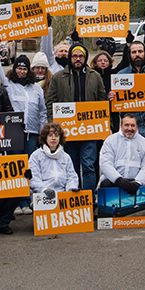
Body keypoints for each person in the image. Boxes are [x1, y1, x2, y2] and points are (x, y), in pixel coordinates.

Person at [46, 42, 107, 199]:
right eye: (75, 56)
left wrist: (105, 126)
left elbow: (102, 101)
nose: (78, 59)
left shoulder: (95, 76)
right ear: (70, 58)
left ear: (85, 57)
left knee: (88, 166)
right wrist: (54, 127)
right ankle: (75, 200)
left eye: (81, 56)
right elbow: (51, 103)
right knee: (71, 167)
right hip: (68, 132)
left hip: (90, 131)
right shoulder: (58, 77)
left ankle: (89, 199)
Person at [0, 45, 47, 156]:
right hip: (13, 131)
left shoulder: (36, 88)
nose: (22, 71)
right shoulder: (8, 84)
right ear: (14, 69)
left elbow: (42, 112)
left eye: (24, 69)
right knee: (15, 161)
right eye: (19, 68)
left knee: (30, 162)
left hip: (32, 133)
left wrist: (43, 132)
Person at [99, 113, 145, 194]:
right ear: (121, 126)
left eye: (132, 125)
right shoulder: (110, 141)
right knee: (106, 183)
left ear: (137, 127)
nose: (129, 128)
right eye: (126, 125)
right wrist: (118, 180)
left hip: (135, 183)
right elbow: (105, 164)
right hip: (114, 181)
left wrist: (138, 182)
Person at [28, 123, 79, 197]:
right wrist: (44, 190)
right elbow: (33, 177)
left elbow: (72, 176)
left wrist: (71, 188)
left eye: (56, 135)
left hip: (63, 195)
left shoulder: (66, 157)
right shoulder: (36, 156)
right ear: (45, 138)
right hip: (43, 195)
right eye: (50, 135)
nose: (53, 138)